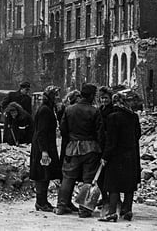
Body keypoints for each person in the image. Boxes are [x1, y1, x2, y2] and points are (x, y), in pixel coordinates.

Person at [56, 83, 104, 218]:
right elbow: (99, 133)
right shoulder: (95, 111)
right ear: (92, 96)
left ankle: (61, 206)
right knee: (88, 179)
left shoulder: (69, 109)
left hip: (72, 147)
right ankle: (84, 210)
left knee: (68, 177)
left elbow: (63, 129)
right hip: (91, 148)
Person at [98, 92, 142, 222]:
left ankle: (112, 213)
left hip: (116, 155)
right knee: (129, 183)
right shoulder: (134, 117)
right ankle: (127, 210)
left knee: (113, 184)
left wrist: (105, 156)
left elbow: (111, 140)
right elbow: (137, 135)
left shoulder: (113, 117)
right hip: (131, 154)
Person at [30, 86, 63, 212]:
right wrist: (44, 151)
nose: (57, 98)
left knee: (45, 173)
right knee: (42, 174)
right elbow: (41, 132)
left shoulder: (48, 109)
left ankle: (43, 202)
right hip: (42, 148)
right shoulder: (45, 110)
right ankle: (41, 202)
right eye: (55, 95)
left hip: (45, 146)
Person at [97, 86, 114, 212]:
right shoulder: (100, 110)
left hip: (109, 144)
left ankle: (111, 199)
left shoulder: (112, 111)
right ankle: (104, 197)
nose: (104, 101)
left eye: (106, 98)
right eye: (102, 98)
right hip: (100, 144)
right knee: (100, 174)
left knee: (108, 172)